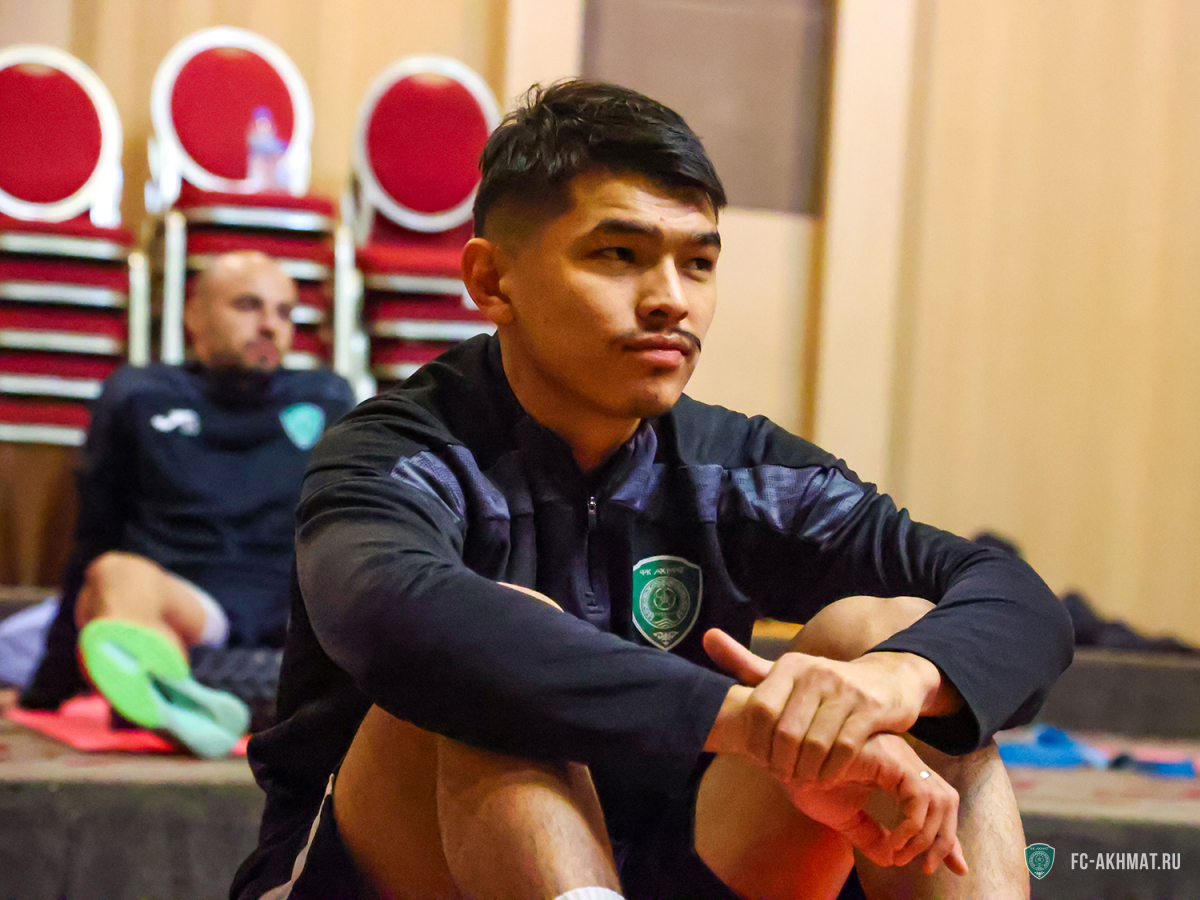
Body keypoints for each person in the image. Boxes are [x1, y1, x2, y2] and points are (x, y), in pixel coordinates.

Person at [232, 82, 1073, 900]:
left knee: (890, 638)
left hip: (675, 858)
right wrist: (750, 722)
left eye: (697, 264)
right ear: (492, 282)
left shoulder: (740, 470)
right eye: (619, 255)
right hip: (391, 871)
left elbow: (1013, 597)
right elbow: (399, 621)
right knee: (493, 656)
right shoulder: (395, 453)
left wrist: (900, 681)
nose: (672, 300)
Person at [19, 251, 355, 757]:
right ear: (194, 316)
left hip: (282, 611)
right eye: (248, 305)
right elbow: (94, 535)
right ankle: (187, 691)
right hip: (185, 609)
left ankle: (176, 690)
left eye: (285, 312)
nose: (270, 325)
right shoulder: (138, 394)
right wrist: (51, 685)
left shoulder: (327, 398)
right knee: (113, 573)